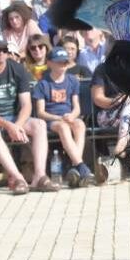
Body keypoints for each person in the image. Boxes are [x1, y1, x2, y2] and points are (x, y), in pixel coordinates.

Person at [0, 34, 59, 194]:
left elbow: (26, 105)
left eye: (4, 50)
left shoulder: (17, 69)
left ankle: (39, 175)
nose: (1, 53)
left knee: (39, 124)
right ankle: (18, 177)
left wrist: (16, 126)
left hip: (13, 118)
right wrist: (9, 126)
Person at [32, 47, 94, 187]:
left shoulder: (72, 80)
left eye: (65, 62)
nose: (63, 65)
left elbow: (76, 107)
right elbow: (41, 112)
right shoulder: (42, 84)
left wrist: (72, 115)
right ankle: (81, 165)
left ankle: (74, 167)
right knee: (63, 127)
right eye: (59, 62)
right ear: (50, 63)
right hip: (52, 120)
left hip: (68, 116)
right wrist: (58, 118)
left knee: (80, 125)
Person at [92, 62, 130, 182]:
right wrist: (118, 101)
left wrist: (128, 99)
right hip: (108, 115)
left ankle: (123, 140)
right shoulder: (102, 69)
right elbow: (97, 98)